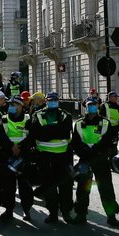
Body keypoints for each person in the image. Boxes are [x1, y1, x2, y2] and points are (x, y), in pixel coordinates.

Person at [72, 97, 119, 226]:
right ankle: (81, 214)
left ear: (98, 106)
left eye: (94, 104)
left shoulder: (105, 123)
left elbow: (108, 141)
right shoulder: (78, 124)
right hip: (85, 160)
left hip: (100, 159)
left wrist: (96, 152)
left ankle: (111, 216)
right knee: (82, 189)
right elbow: (75, 143)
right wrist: (85, 153)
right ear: (85, 107)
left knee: (106, 188)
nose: (91, 107)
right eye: (89, 105)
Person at [31, 92, 75, 224]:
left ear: (58, 101)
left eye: (54, 100)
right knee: (49, 186)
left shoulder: (66, 115)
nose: (52, 102)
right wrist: (54, 132)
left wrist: (47, 131)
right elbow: (36, 134)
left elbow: (64, 132)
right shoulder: (37, 115)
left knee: (66, 186)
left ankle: (66, 212)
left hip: (63, 157)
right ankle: (53, 213)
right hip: (44, 157)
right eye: (50, 100)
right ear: (46, 101)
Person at [0, 95, 33, 221]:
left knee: (24, 185)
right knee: (8, 185)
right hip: (7, 154)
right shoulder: (3, 119)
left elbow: (31, 136)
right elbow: (1, 136)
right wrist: (12, 147)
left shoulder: (28, 119)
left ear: (21, 106)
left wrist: (20, 148)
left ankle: (27, 210)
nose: (11, 107)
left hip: (23, 155)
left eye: (14, 105)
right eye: (10, 105)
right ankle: (8, 210)